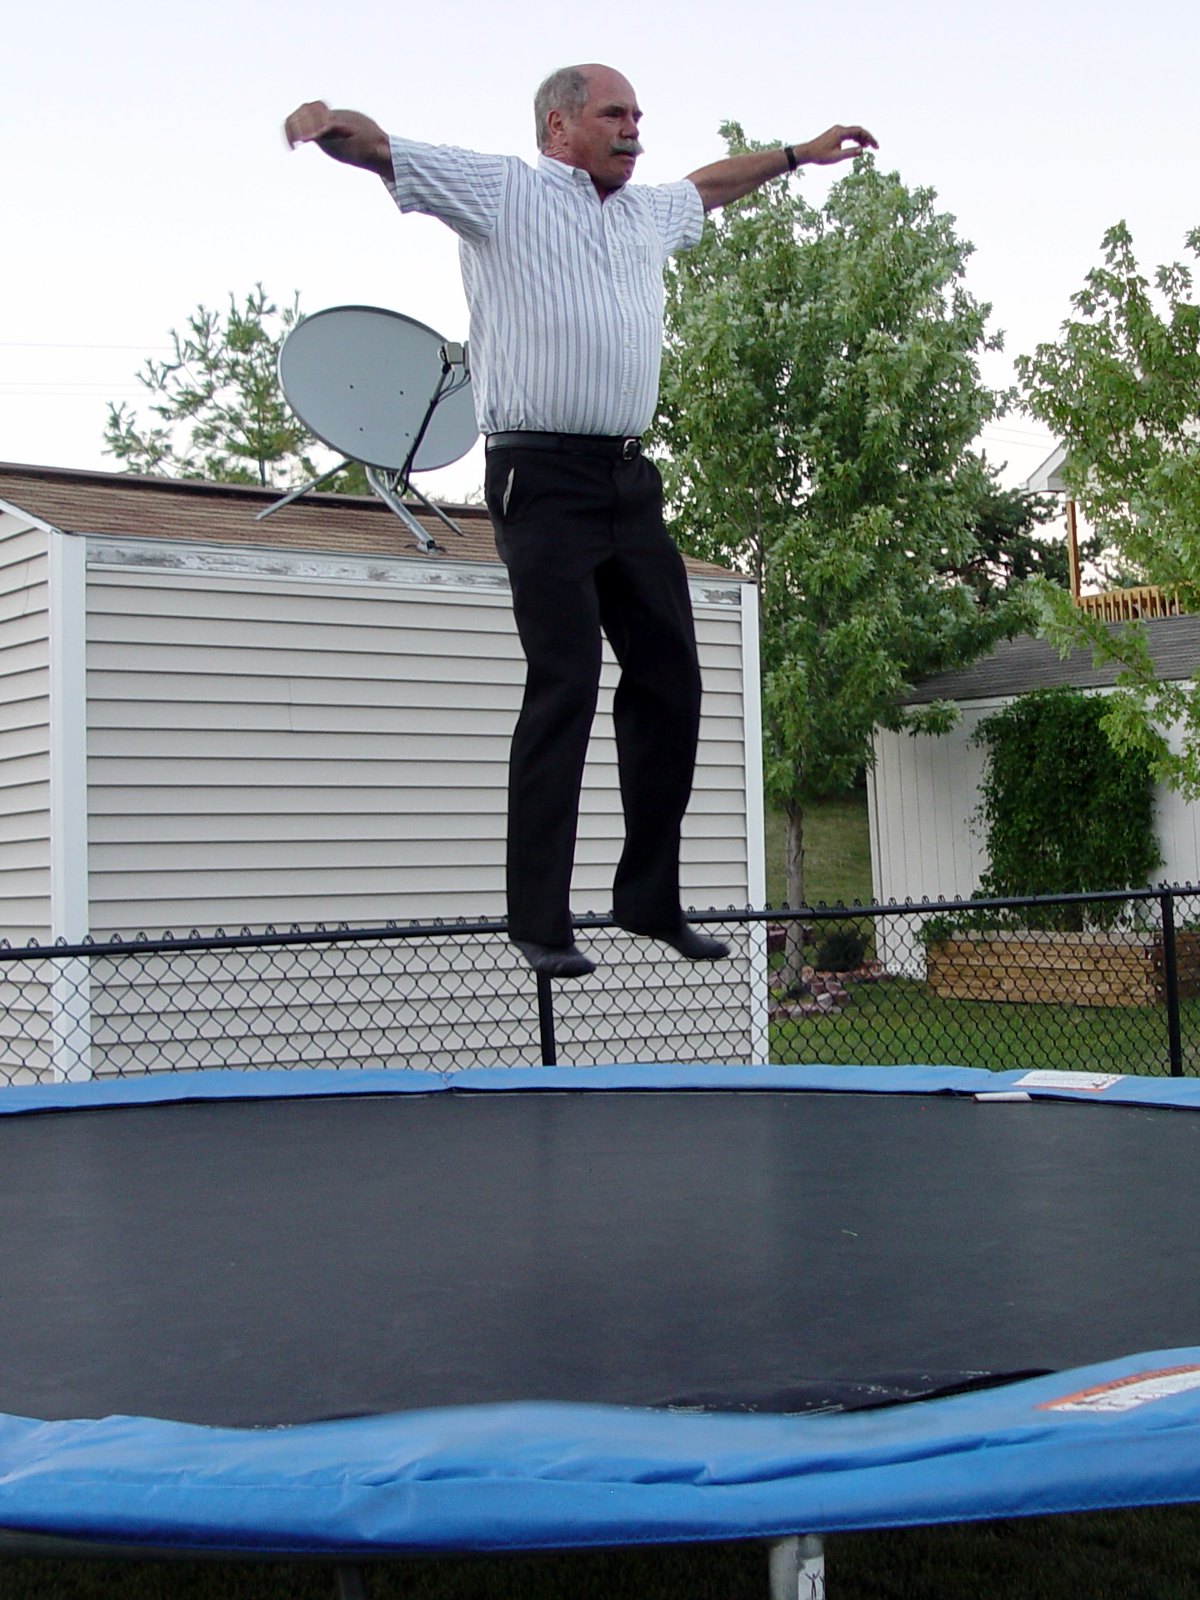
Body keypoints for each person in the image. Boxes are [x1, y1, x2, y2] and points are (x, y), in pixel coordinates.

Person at [285, 67, 876, 978]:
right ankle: (540, 920)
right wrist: (328, 125)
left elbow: (710, 185)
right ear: (559, 126)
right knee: (566, 680)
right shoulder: (503, 193)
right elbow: (381, 149)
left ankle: (647, 899)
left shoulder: (646, 214)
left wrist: (799, 154)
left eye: (638, 115)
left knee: (672, 679)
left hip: (628, 481)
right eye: (614, 115)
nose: (633, 129)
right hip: (540, 477)